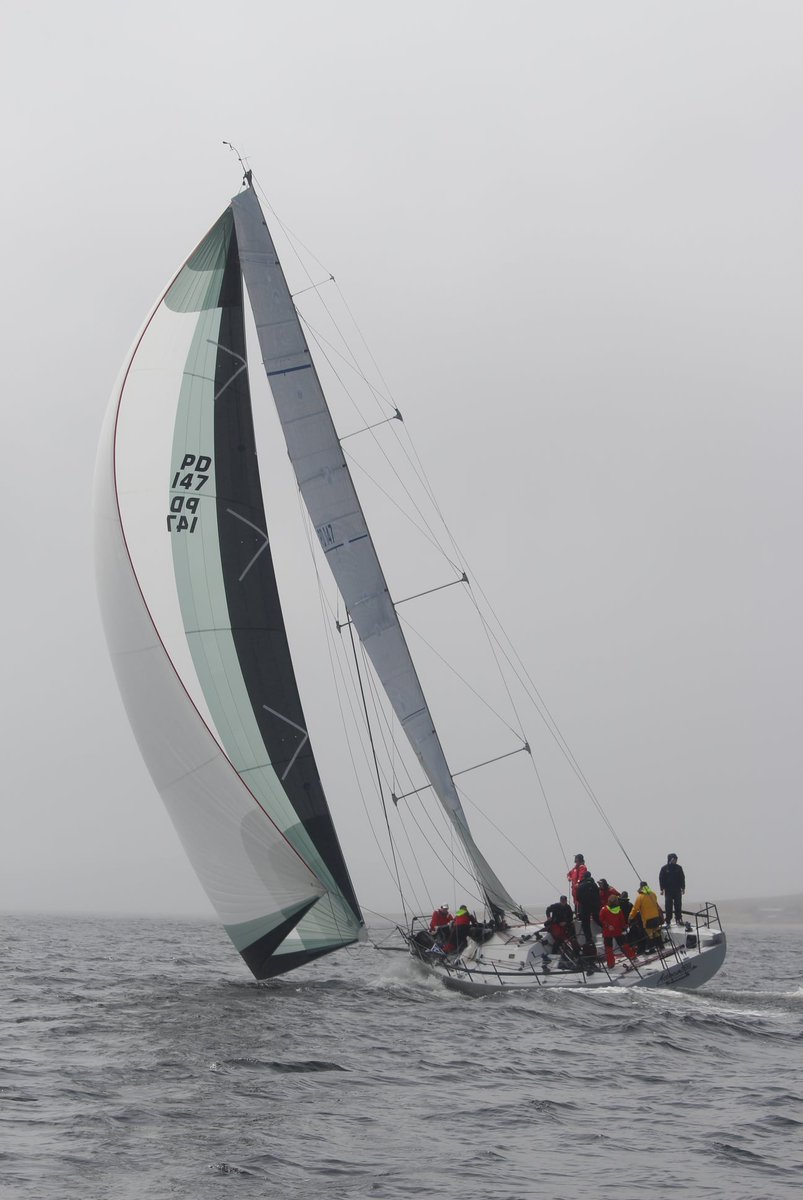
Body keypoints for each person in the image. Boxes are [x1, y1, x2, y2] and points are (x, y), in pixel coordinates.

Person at [599, 895, 636, 968]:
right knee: (623, 944)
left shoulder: (603, 909)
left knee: (608, 948)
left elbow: (601, 919)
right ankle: (632, 956)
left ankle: (610, 964)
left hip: (608, 931)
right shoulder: (618, 910)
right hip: (617, 930)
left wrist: (607, 925)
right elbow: (622, 920)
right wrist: (624, 926)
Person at [628, 882, 664, 953]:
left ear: (641, 888)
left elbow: (635, 909)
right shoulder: (653, 894)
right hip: (656, 918)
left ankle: (652, 949)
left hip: (647, 920)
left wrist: (630, 917)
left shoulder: (640, 897)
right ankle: (661, 946)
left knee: (649, 935)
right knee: (657, 932)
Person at [575, 871, 602, 947]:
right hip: (594, 907)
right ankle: (606, 929)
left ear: (584, 877)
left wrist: (584, 903)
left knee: (585, 924)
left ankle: (589, 939)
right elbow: (598, 896)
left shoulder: (581, 885)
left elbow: (578, 897)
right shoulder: (594, 885)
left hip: (585, 907)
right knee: (597, 918)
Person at [659, 854, 686, 925]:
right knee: (668, 906)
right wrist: (662, 889)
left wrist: (683, 888)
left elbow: (682, 878)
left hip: (677, 890)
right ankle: (668, 920)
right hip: (668, 891)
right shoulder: (664, 868)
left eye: (676, 859)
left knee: (678, 905)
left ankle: (678, 918)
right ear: (670, 860)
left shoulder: (679, 868)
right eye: (674, 859)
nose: (675, 861)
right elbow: (661, 879)